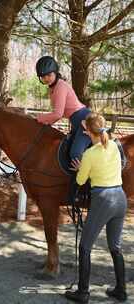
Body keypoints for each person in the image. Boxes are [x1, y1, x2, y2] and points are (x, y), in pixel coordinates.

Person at [65, 113, 128, 303]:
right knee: (115, 247)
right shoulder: (115, 146)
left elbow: (81, 180)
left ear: (86, 131)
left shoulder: (89, 154)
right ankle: (121, 290)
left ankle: (83, 293)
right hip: (120, 198)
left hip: (103, 200)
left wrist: (80, 169)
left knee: (85, 247)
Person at [35, 55, 91, 162]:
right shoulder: (53, 88)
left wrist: (38, 118)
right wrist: (47, 124)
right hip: (76, 121)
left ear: (55, 73)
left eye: (49, 75)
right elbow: (57, 114)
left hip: (84, 120)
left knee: (75, 154)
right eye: (43, 77)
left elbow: (57, 114)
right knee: (67, 147)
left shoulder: (61, 86)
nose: (46, 79)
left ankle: (85, 178)